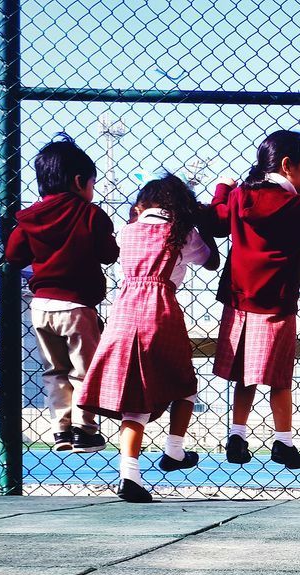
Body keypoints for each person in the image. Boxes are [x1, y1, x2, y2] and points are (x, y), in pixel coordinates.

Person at [76, 175, 215, 502]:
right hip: (161, 312)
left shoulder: (127, 232)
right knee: (185, 385)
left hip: (124, 313)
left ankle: (129, 474)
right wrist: (201, 221)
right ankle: (174, 449)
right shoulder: (183, 234)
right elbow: (210, 260)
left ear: (140, 206)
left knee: (133, 399)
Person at [207, 130, 300, 471]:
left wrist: (222, 190)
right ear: (288, 166)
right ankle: (283, 441)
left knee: (245, 374)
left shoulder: (242, 196)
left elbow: (215, 222)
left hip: (240, 300)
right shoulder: (297, 205)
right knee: (279, 377)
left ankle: (237, 435)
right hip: (277, 302)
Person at [5, 136, 119, 454]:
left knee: (54, 370)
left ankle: (60, 430)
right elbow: (109, 254)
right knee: (84, 369)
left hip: (41, 307)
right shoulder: (90, 214)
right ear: (80, 181)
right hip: (77, 305)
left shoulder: (29, 218)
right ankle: (86, 429)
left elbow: (14, 256)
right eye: (91, 184)